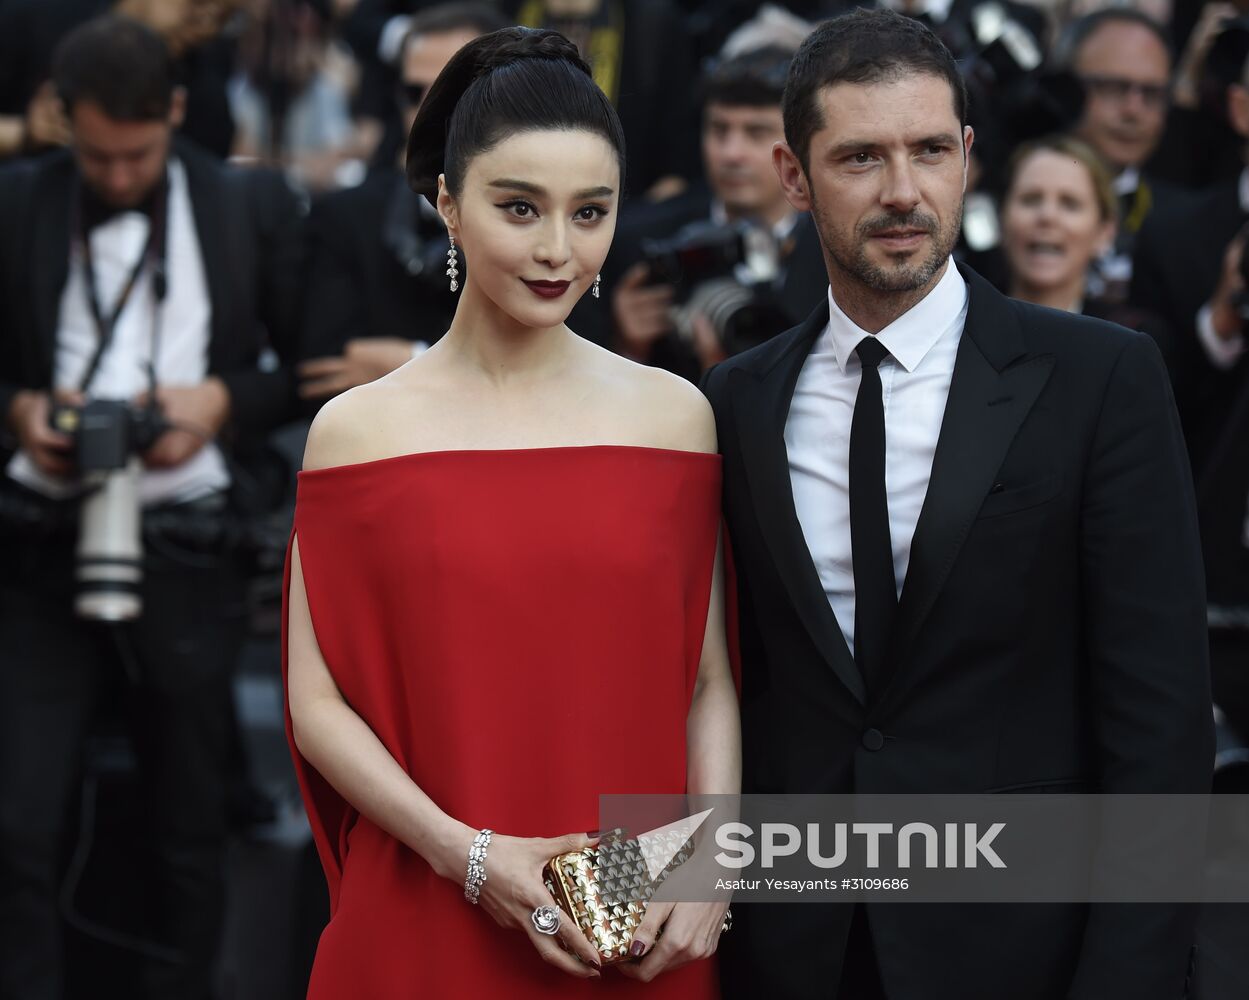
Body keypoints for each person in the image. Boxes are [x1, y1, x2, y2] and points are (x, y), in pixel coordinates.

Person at [703, 9, 1212, 999]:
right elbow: (731, 695)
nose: (903, 192)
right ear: (793, 176)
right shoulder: (737, 402)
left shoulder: (1098, 377)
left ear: (969, 157)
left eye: (929, 149)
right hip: (795, 950)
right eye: (859, 158)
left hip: (1031, 954)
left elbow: (1160, 728)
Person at [283, 26, 739, 997]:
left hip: (620, 910)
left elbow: (706, 680)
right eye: (519, 207)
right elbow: (317, 703)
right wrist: (474, 859)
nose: (555, 249)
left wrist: (707, 859)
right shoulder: (358, 429)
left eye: (590, 213)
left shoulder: (674, 416)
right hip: (422, 897)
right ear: (447, 202)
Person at [0, 14, 301, 999]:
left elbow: (300, 372)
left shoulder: (246, 204)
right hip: (36, 544)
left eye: (136, 155)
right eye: (96, 155)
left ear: (176, 112)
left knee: (191, 817)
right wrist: (20, 412)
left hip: (190, 544)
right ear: (62, 123)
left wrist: (218, 403)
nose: (118, 176)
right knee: (20, 821)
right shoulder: (17, 202)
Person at [296, 2, 508, 403]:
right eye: (415, 93)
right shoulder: (345, 218)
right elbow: (323, 370)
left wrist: (407, 358)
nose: (429, 110)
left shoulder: (545, 214)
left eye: (452, 90)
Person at [608, 44, 827, 381]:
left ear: (796, 145)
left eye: (756, 132)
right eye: (719, 129)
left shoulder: (834, 246)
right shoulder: (636, 241)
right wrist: (626, 349)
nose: (731, 153)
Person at [999, 133, 1171, 359]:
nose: (1047, 216)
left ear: (1104, 232)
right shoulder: (961, 323)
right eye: (1031, 199)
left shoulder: (1130, 343)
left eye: (1070, 204)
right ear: (1003, 218)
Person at [1054, 8, 1185, 302]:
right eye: (1114, 87)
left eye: (1151, 93)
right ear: (1065, 87)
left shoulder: (1189, 228)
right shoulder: (997, 200)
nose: (1133, 111)